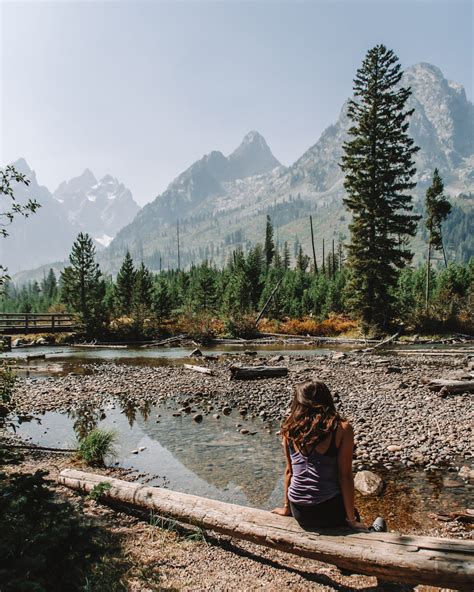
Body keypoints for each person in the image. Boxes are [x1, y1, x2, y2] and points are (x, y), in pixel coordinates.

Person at [272, 380, 385, 532]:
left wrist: (287, 508)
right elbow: (345, 476)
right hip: (327, 511)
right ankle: (373, 531)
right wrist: (351, 519)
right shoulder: (342, 428)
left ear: (298, 402)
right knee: (377, 522)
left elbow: (289, 472)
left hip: (299, 510)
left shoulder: (289, 428)